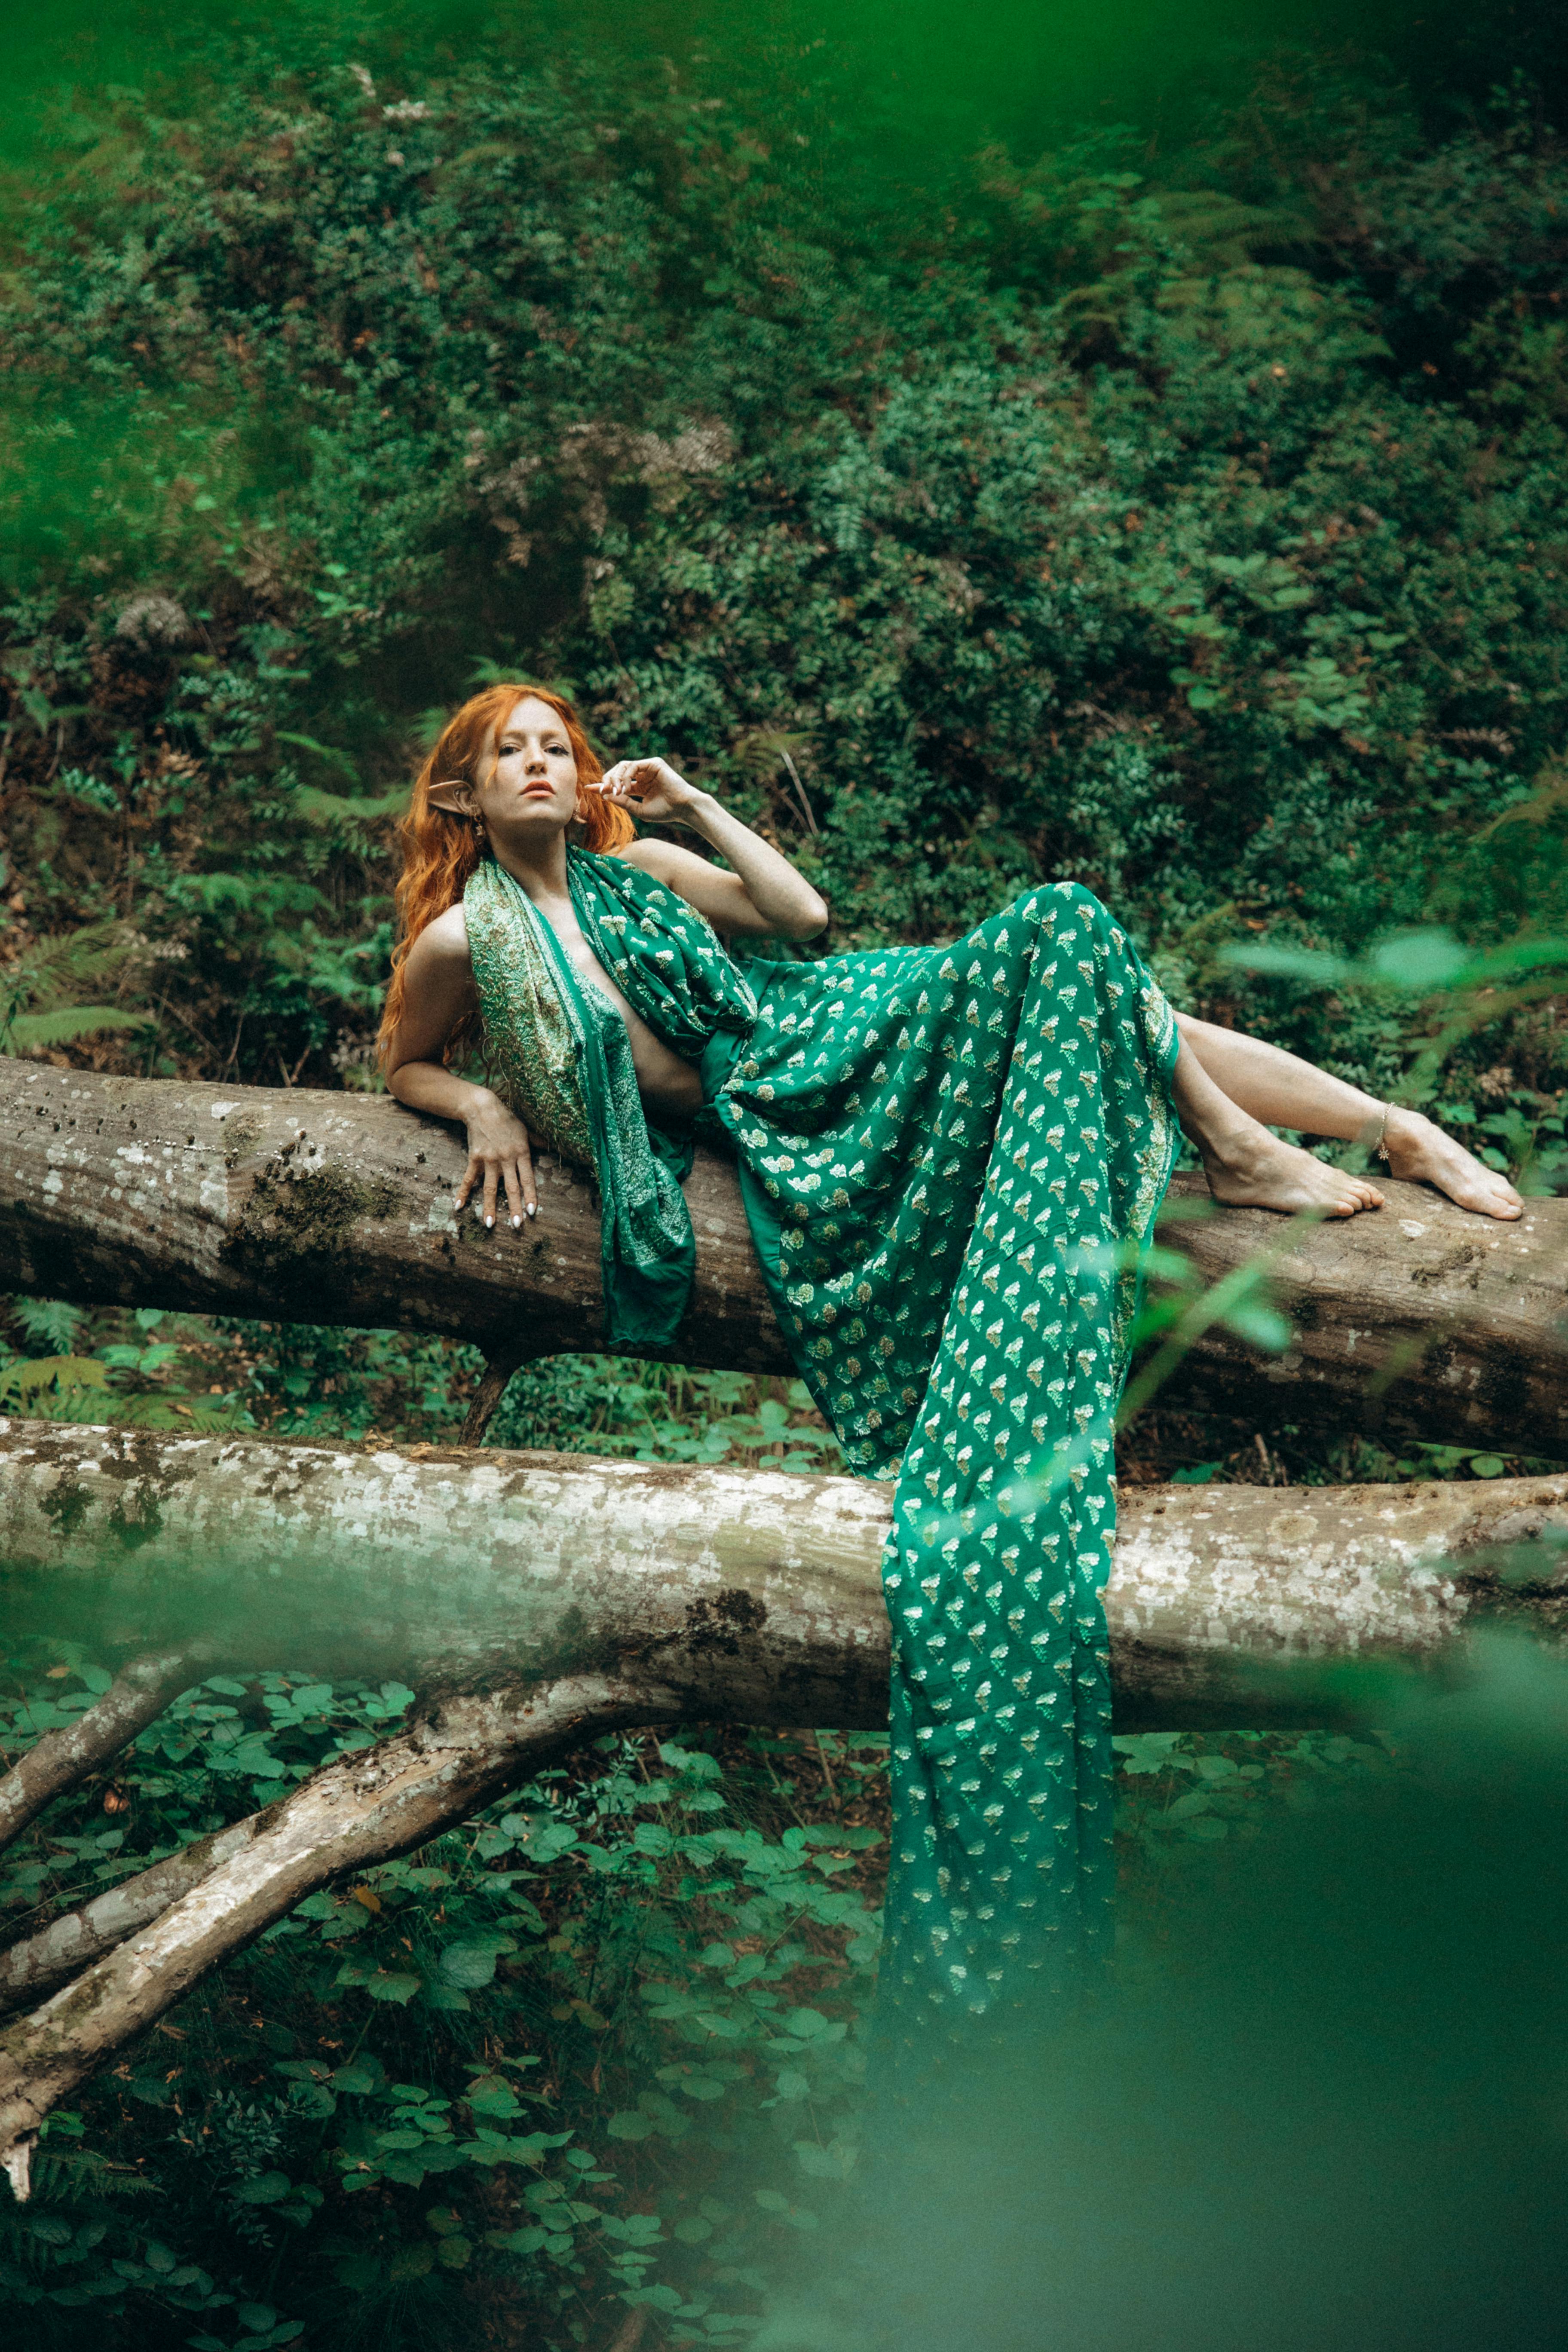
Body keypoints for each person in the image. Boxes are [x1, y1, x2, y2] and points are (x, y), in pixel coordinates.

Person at [378, 682, 1521, 2040]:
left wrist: (688, 803)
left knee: (1072, 937)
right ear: (463, 794)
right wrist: (486, 1098)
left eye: (556, 747)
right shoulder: (460, 938)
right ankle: (1318, 1134)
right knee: (1083, 956)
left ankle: (1351, 1132)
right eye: (509, 754)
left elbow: (801, 924)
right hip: (791, 1102)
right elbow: (399, 1062)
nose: (541, 765)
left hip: (826, 1019)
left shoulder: (644, 867)